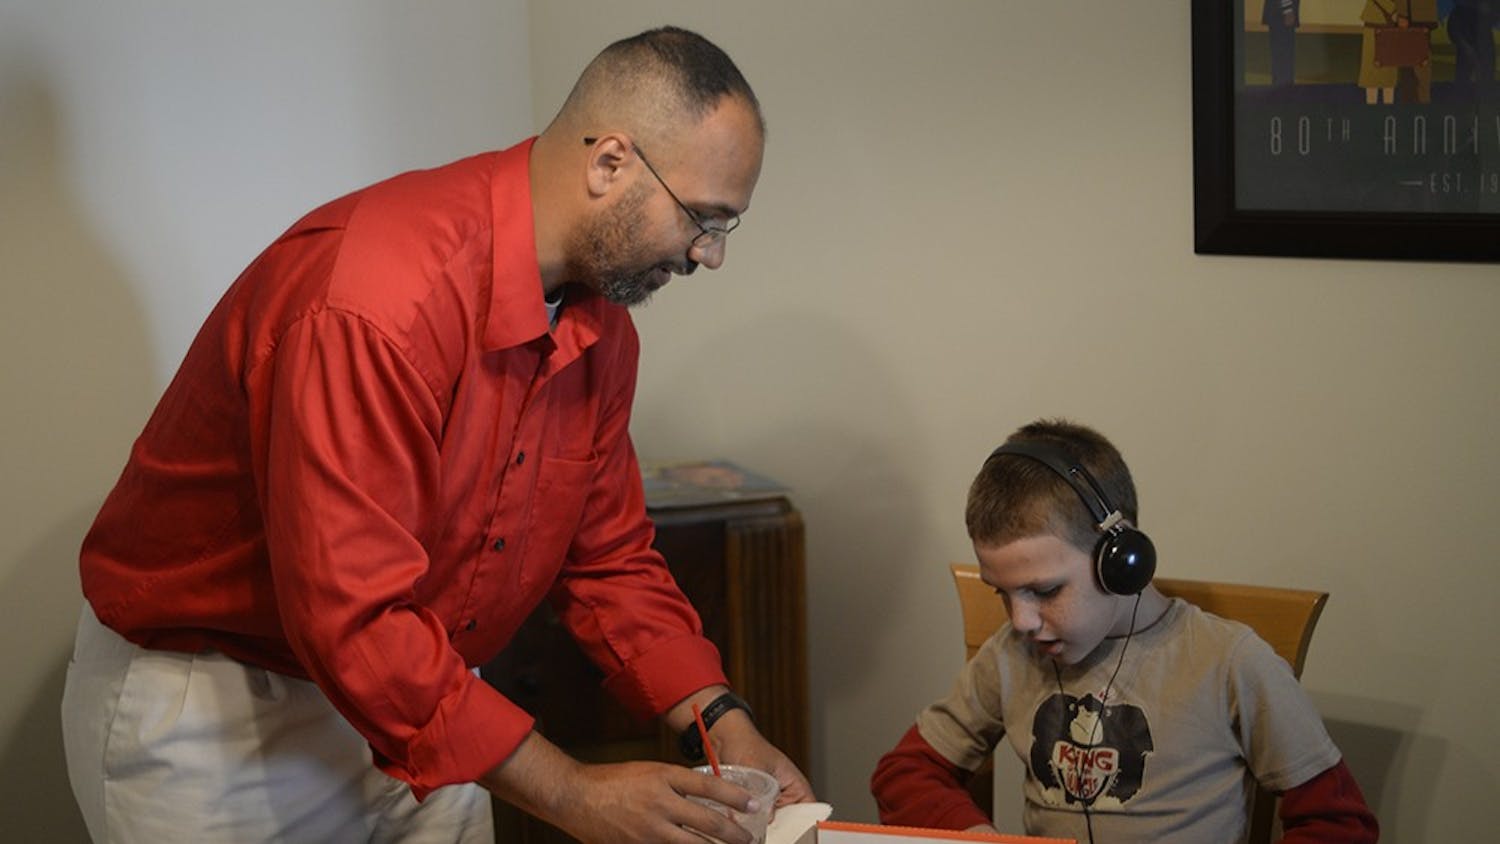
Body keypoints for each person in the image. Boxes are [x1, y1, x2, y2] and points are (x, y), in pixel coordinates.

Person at [61, 25, 811, 844]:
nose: (709, 255)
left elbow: (606, 556)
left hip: (430, 693)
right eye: (704, 218)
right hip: (224, 709)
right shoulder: (377, 301)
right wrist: (575, 794)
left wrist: (718, 716)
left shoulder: (601, 331)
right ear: (611, 164)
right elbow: (353, 615)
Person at [870, 420, 1378, 843]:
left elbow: (1339, 823)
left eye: (1044, 591)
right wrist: (978, 834)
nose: (1020, 621)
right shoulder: (1009, 657)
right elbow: (904, 774)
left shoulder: (1230, 662)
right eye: (1000, 593)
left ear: (1122, 563)